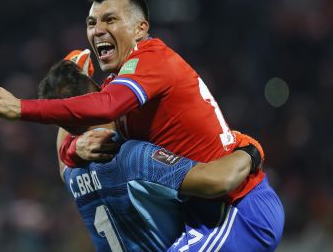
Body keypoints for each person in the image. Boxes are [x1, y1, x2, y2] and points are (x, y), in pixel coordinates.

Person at [0, 0, 284, 250]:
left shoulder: (152, 62)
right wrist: (74, 148)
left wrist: (24, 109)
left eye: (110, 19)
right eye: (91, 23)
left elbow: (103, 108)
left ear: (140, 28)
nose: (98, 29)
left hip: (239, 205)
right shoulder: (121, 102)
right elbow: (87, 117)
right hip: (205, 215)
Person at [39, 60, 266, 251]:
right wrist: (249, 151)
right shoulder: (134, 158)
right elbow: (218, 181)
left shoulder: (70, 174)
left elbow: (66, 123)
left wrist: (71, 137)